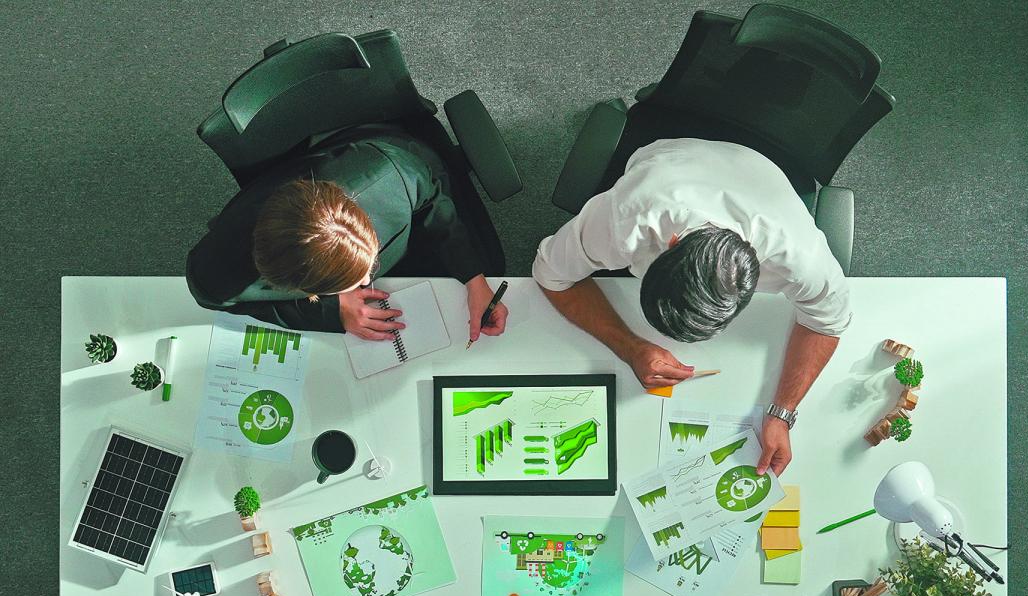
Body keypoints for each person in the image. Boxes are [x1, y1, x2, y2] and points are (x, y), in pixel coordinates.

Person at [533, 138, 850, 477]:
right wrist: (630, 347)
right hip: (670, 157)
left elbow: (827, 323)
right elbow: (550, 274)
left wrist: (782, 413)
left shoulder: (800, 257)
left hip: (758, 169)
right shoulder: (626, 217)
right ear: (671, 241)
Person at [187, 127, 508, 341]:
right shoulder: (218, 275)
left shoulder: (390, 173)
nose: (368, 282)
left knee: (486, 262)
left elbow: (433, 195)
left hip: (385, 157)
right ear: (296, 288)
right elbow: (218, 300)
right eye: (353, 282)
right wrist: (335, 311)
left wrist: (473, 277)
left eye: (365, 272)